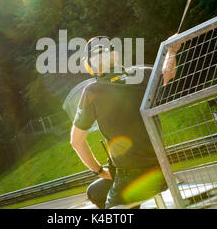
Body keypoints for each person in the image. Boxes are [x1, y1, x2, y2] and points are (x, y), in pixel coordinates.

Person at [70, 35, 181, 209]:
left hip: (130, 178)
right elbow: (168, 72)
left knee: (110, 202)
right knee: (96, 191)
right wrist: (171, 50)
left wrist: (99, 171)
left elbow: (76, 142)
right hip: (162, 172)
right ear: (116, 56)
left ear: (90, 66)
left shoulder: (92, 91)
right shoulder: (143, 74)